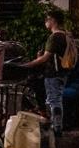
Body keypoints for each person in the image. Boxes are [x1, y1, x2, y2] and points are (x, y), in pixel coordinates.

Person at [24, 9, 71, 137]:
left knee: (53, 100)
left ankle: (56, 129)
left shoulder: (54, 37)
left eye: (47, 19)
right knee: (56, 98)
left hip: (53, 74)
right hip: (63, 73)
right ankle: (56, 127)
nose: (45, 22)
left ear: (53, 20)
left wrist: (26, 65)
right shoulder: (66, 35)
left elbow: (45, 58)